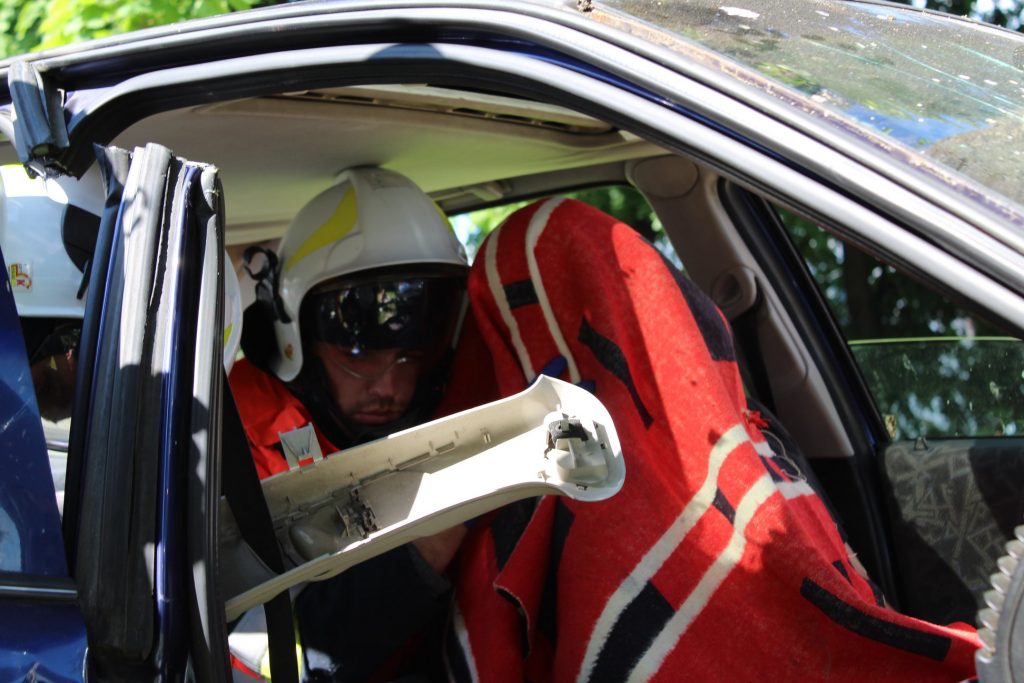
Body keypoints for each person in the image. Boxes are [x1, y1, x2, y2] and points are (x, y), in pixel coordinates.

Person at [227, 166, 471, 680]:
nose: (390, 387)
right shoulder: (230, 440)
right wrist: (416, 559)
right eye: (358, 356)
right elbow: (249, 652)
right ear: (296, 336)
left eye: (410, 357)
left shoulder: (462, 408)